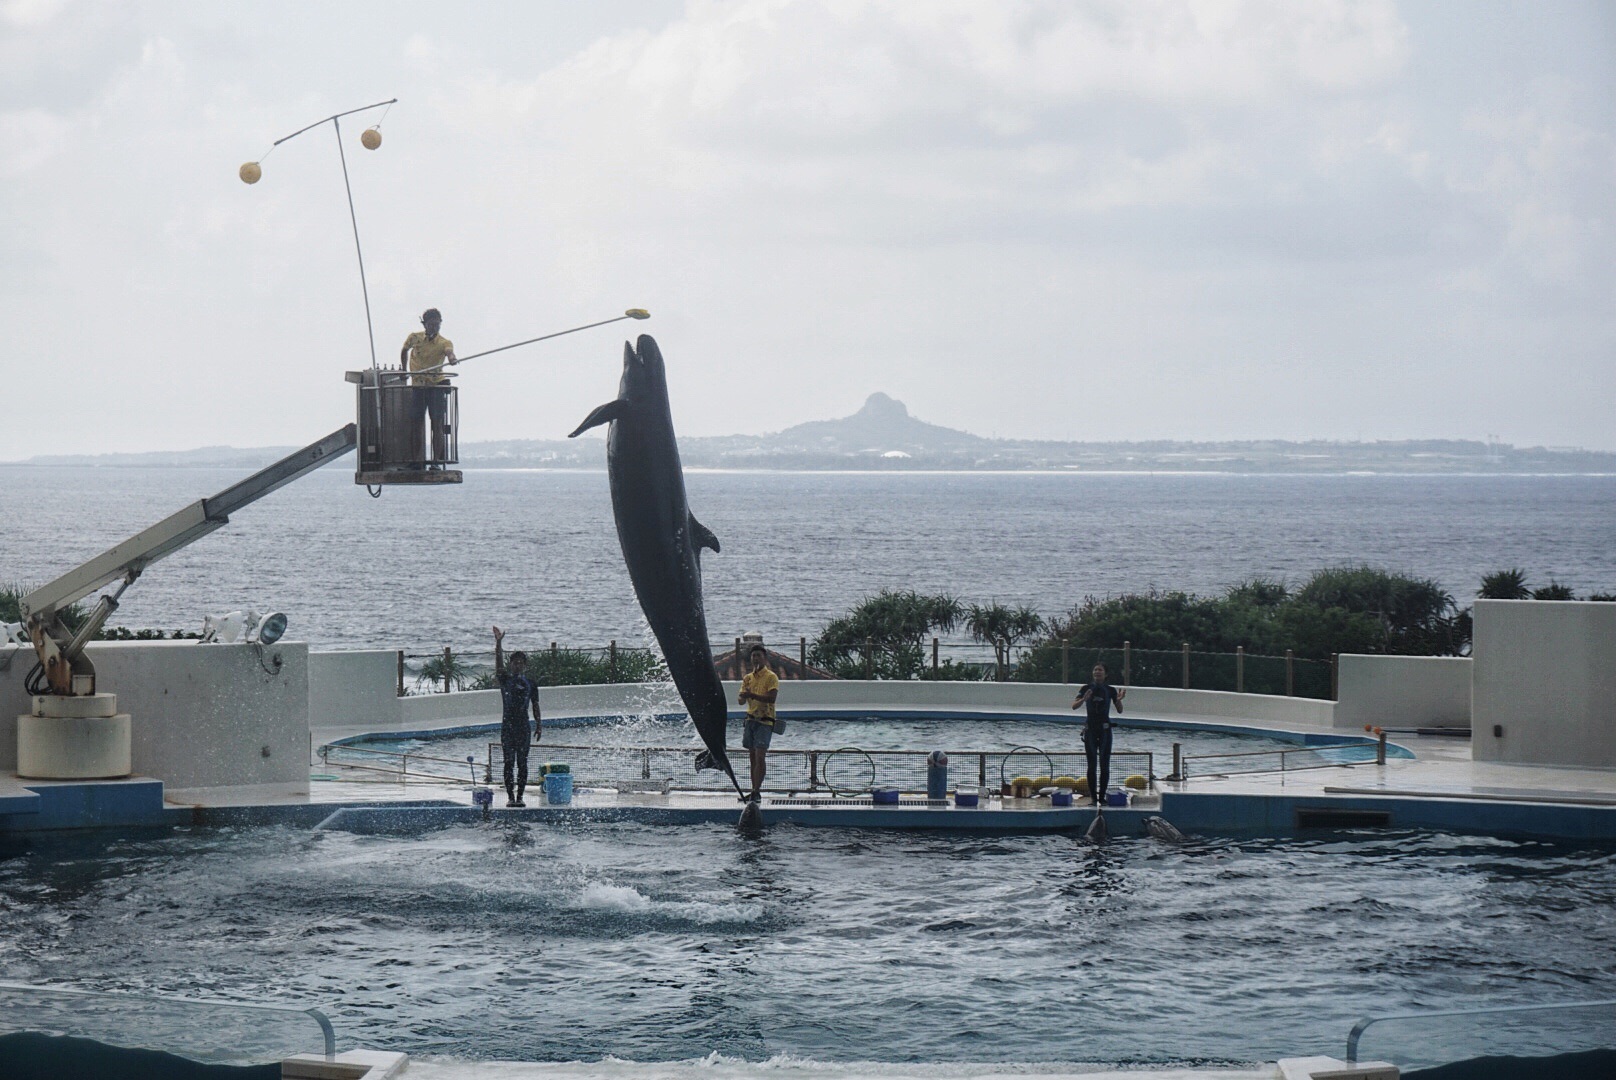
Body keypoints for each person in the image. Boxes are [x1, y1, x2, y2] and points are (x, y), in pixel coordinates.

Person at [492, 625, 541, 807]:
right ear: (510, 664)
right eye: (514, 662)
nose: (517, 665)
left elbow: (535, 705)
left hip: (523, 728)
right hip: (507, 727)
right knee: (508, 763)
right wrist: (498, 643)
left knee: (522, 763)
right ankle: (510, 797)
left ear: (525, 665)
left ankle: (520, 797)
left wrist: (539, 724)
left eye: (521, 662)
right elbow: (498, 664)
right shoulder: (505, 679)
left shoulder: (531, 683)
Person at [400, 308, 457, 463]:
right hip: (418, 386)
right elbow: (404, 350)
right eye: (431, 325)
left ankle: (437, 460)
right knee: (416, 423)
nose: (434, 328)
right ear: (425, 324)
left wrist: (452, 358)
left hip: (435, 386)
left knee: (437, 423)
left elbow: (449, 352)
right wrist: (404, 370)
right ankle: (416, 460)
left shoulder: (444, 342)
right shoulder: (414, 337)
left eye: (437, 325)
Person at [1073, 662, 1125, 806]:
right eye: (1095, 670)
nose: (1097, 672)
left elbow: (1119, 710)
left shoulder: (1110, 690)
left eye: (1100, 670)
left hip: (1105, 731)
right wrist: (1084, 699)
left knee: (1104, 764)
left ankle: (1102, 797)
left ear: (1105, 674)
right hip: (1090, 730)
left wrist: (1119, 701)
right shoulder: (1086, 688)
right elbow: (1073, 707)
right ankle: (1093, 798)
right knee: (1091, 765)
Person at [737, 644, 779, 804]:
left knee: (760, 756)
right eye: (753, 655)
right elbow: (741, 701)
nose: (756, 658)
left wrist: (751, 694)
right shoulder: (747, 678)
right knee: (752, 758)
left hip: (765, 721)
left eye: (758, 655)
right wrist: (744, 696)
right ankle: (753, 790)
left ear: (765, 658)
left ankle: (757, 790)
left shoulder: (771, 677)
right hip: (750, 720)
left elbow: (772, 698)